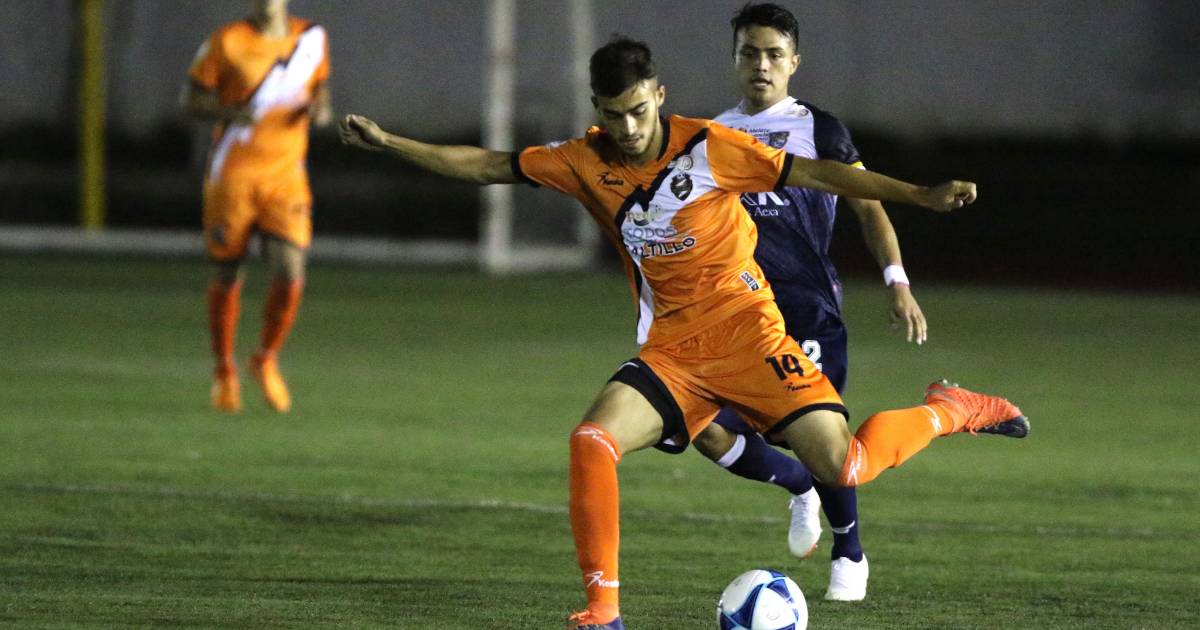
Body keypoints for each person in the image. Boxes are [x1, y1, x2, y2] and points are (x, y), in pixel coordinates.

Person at [340, 36, 1027, 630]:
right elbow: (490, 165)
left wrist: (920, 195)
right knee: (592, 440)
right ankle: (602, 613)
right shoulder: (582, 160)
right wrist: (392, 143)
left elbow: (822, 174)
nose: (630, 127)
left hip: (752, 337)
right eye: (615, 115)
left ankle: (949, 409)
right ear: (597, 109)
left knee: (843, 467)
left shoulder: (710, 147)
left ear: (659, 95)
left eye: (640, 110)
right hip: (674, 352)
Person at [685, 1, 928, 601]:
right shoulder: (708, 136)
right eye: (749, 53)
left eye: (774, 54)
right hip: (734, 316)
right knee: (705, 428)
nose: (761, 65)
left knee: (825, 442)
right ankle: (796, 485)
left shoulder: (819, 130)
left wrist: (896, 279)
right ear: (734, 60)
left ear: (794, 62)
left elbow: (869, 208)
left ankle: (850, 553)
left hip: (806, 311)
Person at [181, 0, 332, 413]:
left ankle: (265, 358)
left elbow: (320, 91)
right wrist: (230, 111)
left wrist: (320, 109)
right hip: (233, 175)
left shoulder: (311, 39)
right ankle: (224, 369)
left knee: (291, 268)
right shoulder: (227, 42)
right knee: (228, 271)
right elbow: (190, 100)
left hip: (285, 177)